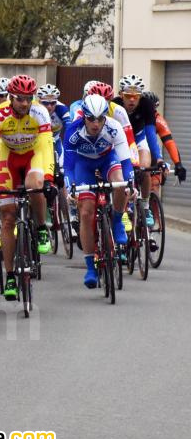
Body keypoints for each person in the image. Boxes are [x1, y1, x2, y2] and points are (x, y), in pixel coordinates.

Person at [0, 74, 55, 301]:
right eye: (19, 99)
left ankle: (42, 227)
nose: (24, 103)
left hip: (33, 155)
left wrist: (49, 178)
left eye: (28, 98)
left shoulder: (39, 112)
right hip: (8, 158)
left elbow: (46, 146)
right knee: (7, 218)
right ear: (10, 97)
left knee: (34, 184)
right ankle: (10, 276)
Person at [63, 94, 133, 288]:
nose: (96, 123)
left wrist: (130, 183)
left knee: (120, 182)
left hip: (107, 159)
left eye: (100, 118)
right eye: (91, 118)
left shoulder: (113, 127)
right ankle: (90, 268)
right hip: (82, 164)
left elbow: (126, 161)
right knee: (86, 212)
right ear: (83, 116)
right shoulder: (73, 131)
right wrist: (70, 187)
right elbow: (67, 167)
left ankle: (117, 221)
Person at [111, 74, 162, 227]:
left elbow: (151, 133)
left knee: (144, 169)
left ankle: (145, 206)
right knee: (121, 175)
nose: (132, 100)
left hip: (139, 140)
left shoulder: (146, 104)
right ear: (121, 95)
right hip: (120, 143)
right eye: (128, 96)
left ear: (140, 96)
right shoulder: (114, 105)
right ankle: (122, 208)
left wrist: (158, 158)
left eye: (136, 96)